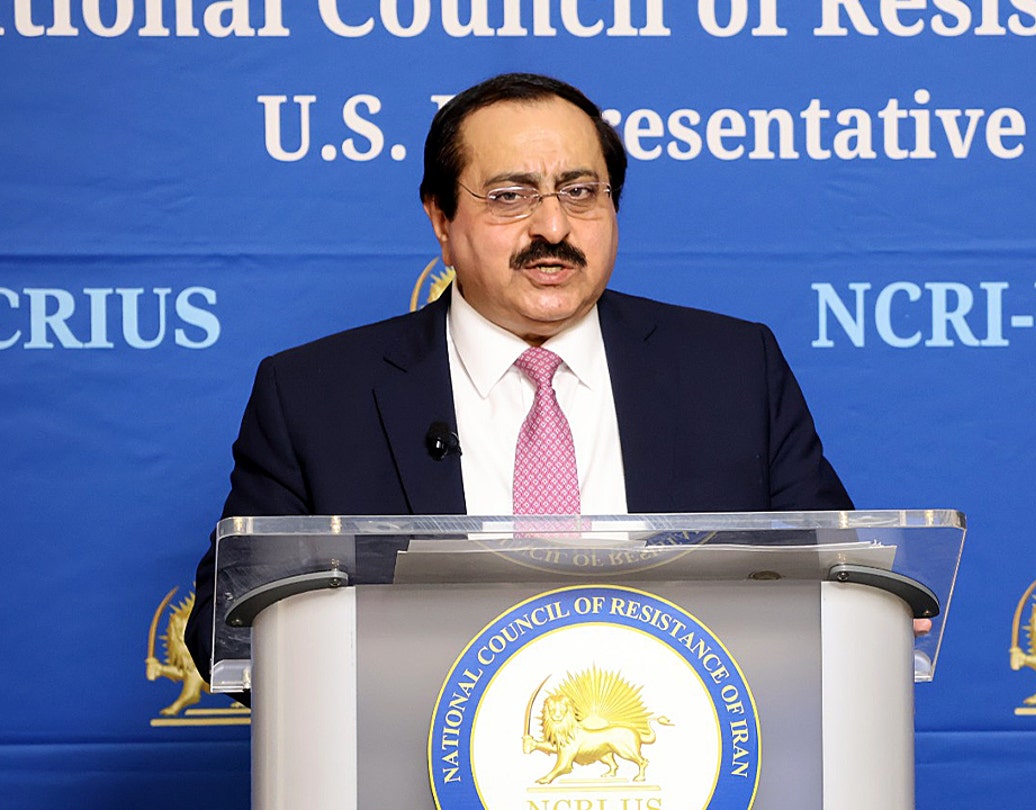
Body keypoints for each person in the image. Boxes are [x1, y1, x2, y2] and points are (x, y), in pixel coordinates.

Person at [184, 72, 852, 681]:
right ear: (441, 219)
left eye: (581, 193)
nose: (553, 226)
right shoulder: (314, 397)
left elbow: (838, 589)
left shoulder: (733, 369)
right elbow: (231, 626)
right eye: (510, 197)